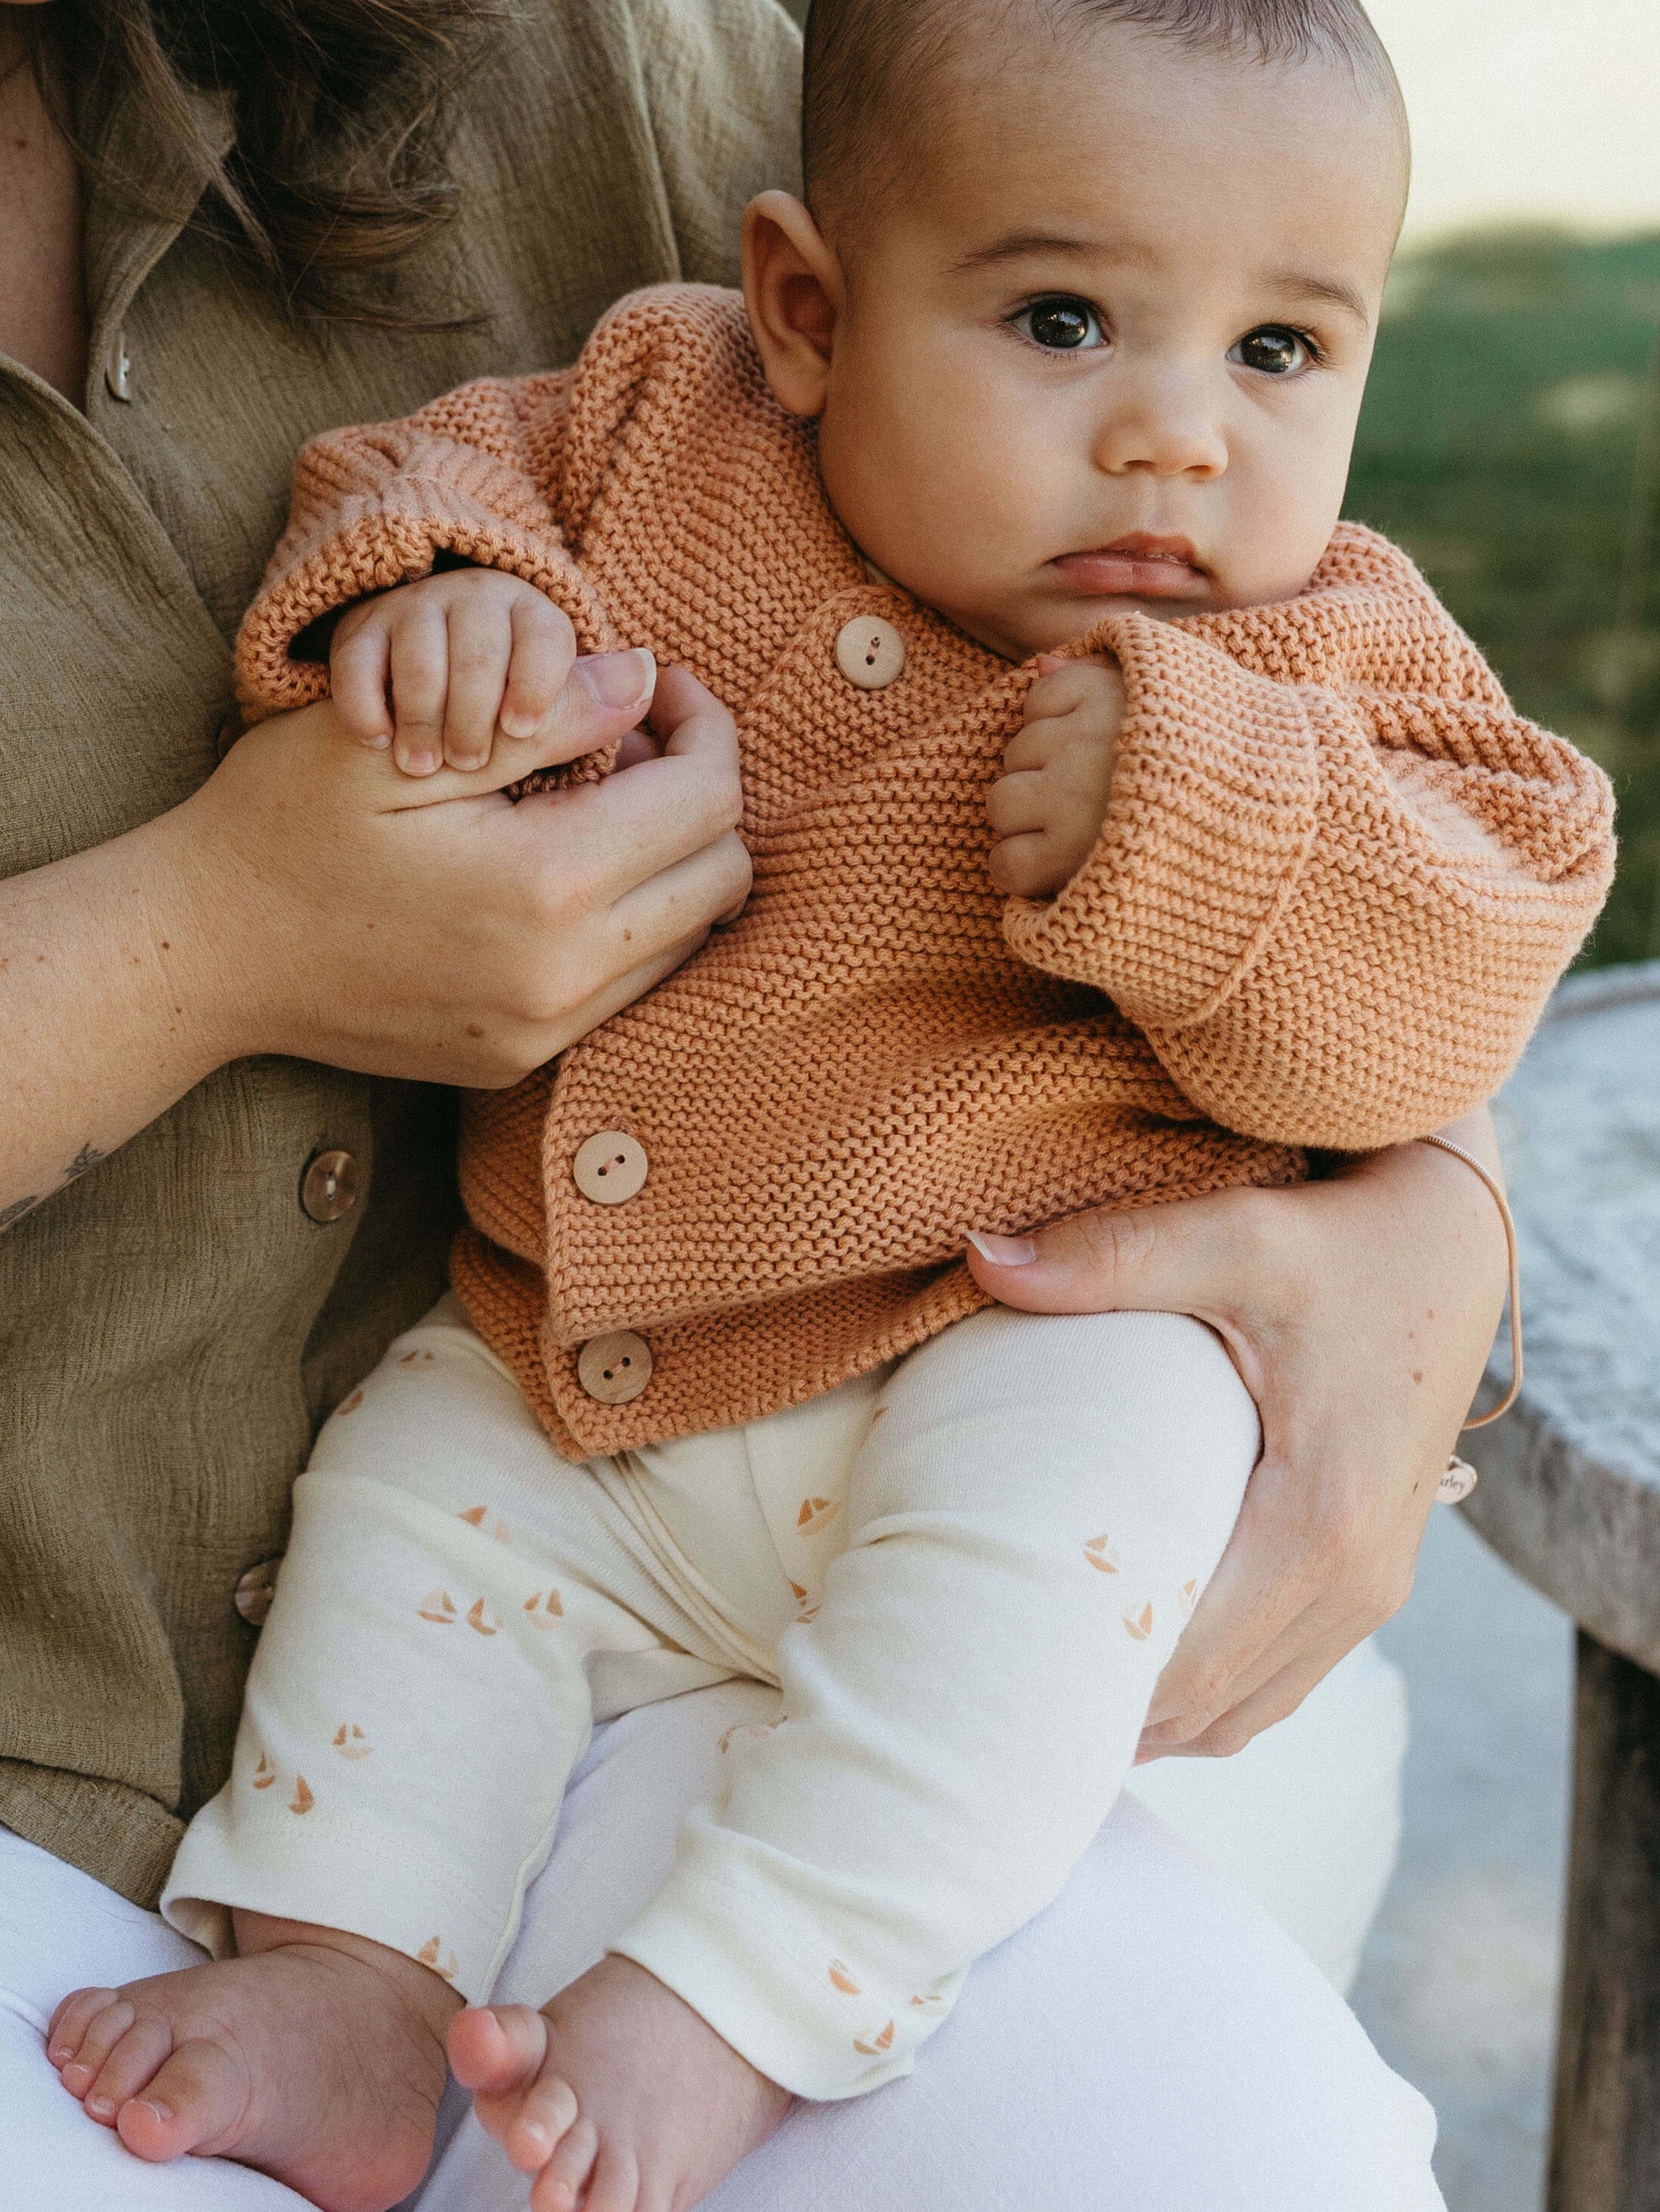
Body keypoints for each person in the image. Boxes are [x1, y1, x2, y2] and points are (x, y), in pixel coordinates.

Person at [42, 0, 1613, 2206]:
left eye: (1278, 353)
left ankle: (735, 1997)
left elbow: (1482, 929)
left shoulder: (1320, 657)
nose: (1176, 439)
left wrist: (1214, 836)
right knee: (408, 1531)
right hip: (573, 1359)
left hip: (998, 1350)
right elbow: (430, 471)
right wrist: (447, 609)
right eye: (1065, 319)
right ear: (805, 308)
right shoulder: (668, 423)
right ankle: (351, 1963)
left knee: (1042, 1572)